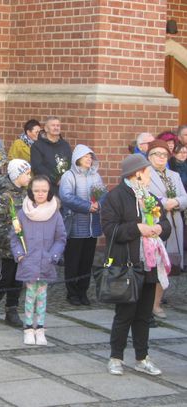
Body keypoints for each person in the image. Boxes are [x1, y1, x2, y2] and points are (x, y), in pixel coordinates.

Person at [101, 154, 171, 376]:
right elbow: (111, 231)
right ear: (137, 173)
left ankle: (142, 357)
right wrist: (136, 228)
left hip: (150, 266)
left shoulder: (150, 197)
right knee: (125, 314)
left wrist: (160, 229)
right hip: (127, 264)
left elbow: (166, 225)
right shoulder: (115, 197)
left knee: (144, 315)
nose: (150, 176)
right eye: (148, 172)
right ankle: (116, 357)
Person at [10, 175, 66, 346]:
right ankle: (28, 328)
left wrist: (53, 256)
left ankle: (40, 328)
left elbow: (61, 238)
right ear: (31, 191)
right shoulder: (23, 212)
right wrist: (19, 254)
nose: (40, 194)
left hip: (46, 261)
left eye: (44, 191)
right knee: (29, 296)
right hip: (28, 261)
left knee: (42, 296)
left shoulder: (55, 214)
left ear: (49, 192)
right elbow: (14, 236)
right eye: (36, 191)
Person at [0, 159, 31, 327]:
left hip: (23, 246)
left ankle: (12, 309)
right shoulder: (4, 195)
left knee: (18, 280)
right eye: (27, 174)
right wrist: (9, 242)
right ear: (17, 176)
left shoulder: (24, 193)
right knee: (5, 278)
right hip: (7, 247)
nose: (30, 177)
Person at [59, 145, 105, 306]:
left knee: (87, 262)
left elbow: (103, 194)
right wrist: (87, 206)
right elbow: (66, 196)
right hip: (75, 226)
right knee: (73, 262)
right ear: (77, 158)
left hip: (92, 227)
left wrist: (99, 204)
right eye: (86, 156)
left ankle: (83, 291)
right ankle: (72, 293)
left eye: (91, 157)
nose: (89, 159)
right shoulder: (69, 176)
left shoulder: (96, 176)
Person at [146, 140, 187, 319]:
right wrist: (163, 203)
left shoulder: (174, 176)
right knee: (152, 264)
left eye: (164, 154)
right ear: (149, 157)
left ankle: (157, 303)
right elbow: (144, 196)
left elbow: (185, 197)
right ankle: (145, 304)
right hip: (154, 225)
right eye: (157, 154)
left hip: (174, 224)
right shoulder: (144, 174)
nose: (161, 158)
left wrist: (176, 202)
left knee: (165, 265)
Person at [30, 116, 71, 192]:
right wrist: (56, 180)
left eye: (58, 125)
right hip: (45, 188)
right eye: (53, 125)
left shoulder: (65, 145)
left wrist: (66, 179)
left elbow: (70, 163)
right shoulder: (37, 146)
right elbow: (37, 167)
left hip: (65, 187)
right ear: (46, 128)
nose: (56, 128)